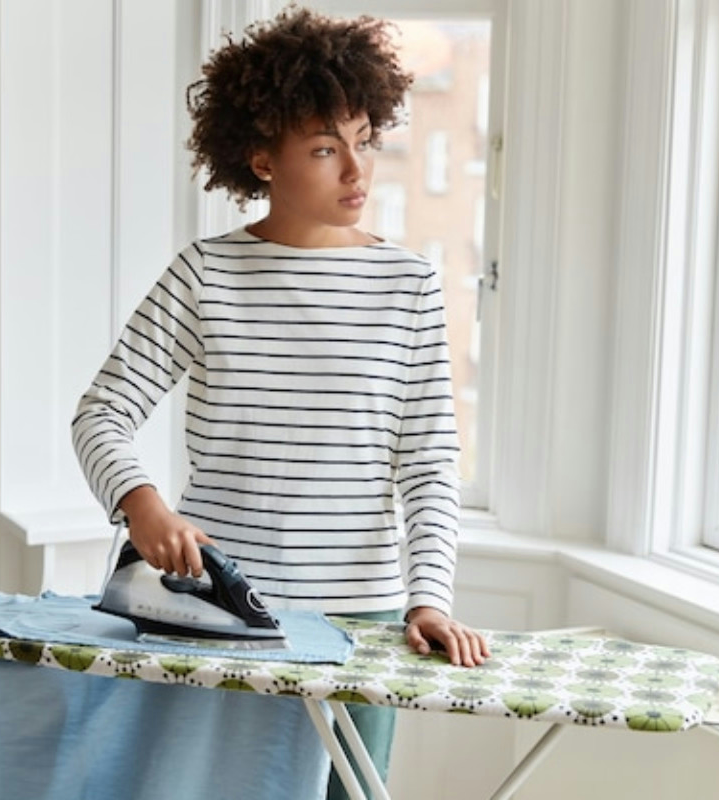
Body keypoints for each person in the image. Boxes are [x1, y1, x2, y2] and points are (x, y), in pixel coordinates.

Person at [72, 6, 490, 796]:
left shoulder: (409, 285)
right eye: (325, 149)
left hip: (362, 622)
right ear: (262, 158)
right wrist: (142, 505)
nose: (356, 170)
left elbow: (429, 463)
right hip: (220, 613)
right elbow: (102, 413)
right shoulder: (205, 275)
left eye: (364, 140)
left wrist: (429, 599)